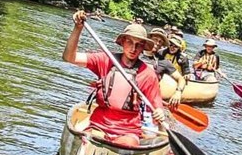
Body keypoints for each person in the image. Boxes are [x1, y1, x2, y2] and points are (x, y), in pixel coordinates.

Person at [62, 11, 165, 147]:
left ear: (143, 48)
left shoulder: (148, 74)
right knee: (89, 139)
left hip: (127, 132)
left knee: (126, 145)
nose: (133, 48)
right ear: (122, 42)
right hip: (98, 125)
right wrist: (78, 28)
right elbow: (69, 57)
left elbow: (158, 108)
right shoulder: (105, 60)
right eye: (129, 42)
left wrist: (159, 114)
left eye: (139, 44)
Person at [141, 28, 187, 107]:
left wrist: (178, 92)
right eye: (155, 39)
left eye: (160, 42)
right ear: (149, 39)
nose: (158, 43)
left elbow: (181, 79)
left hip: (147, 99)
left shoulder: (164, 62)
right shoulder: (136, 52)